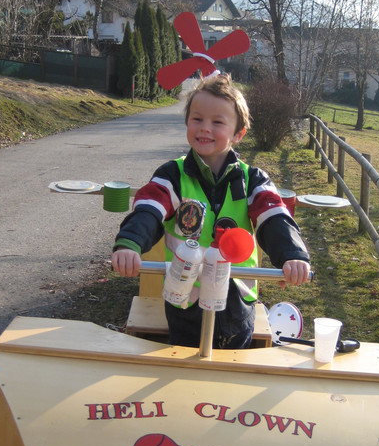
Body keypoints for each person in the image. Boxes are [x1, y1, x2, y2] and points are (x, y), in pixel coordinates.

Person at [111, 73, 310, 349]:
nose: (205, 128)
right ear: (187, 122)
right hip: (185, 298)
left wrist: (291, 254)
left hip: (235, 301)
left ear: (238, 134)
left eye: (217, 122)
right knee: (183, 355)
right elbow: (149, 208)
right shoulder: (173, 175)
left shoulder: (252, 180)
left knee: (233, 360)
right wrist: (130, 243)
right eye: (197, 119)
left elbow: (274, 216)